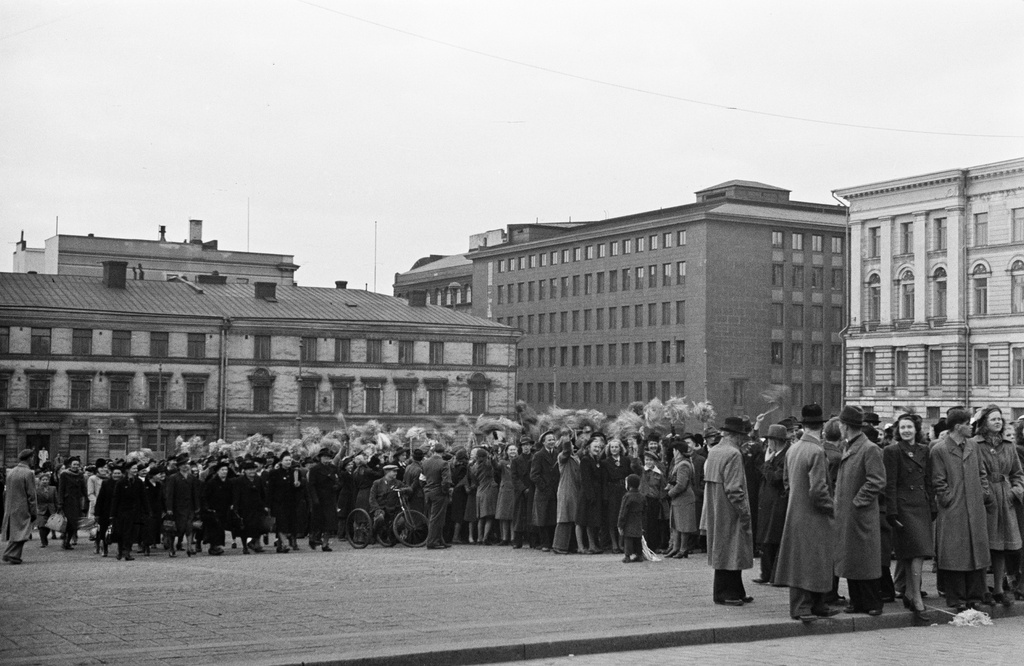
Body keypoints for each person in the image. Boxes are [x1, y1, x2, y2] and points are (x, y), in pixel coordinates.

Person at [774, 404, 839, 622]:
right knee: (816, 560)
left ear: (804, 425)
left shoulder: (793, 449)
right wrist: (833, 508)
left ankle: (813, 605)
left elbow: (786, 482)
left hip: (796, 511)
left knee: (800, 560)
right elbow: (819, 490)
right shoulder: (817, 451)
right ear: (820, 427)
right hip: (815, 514)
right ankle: (807, 606)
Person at [931, 406, 992, 611]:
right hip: (954, 509)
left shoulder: (973, 446)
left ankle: (974, 595)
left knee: (976, 551)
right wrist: (948, 499)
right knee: (955, 553)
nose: (971, 428)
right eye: (967, 424)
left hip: (974, 505)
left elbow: (982, 472)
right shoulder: (940, 449)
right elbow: (938, 481)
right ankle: (956, 597)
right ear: (958, 427)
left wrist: (983, 493)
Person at [883, 413, 935, 622]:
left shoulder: (924, 450)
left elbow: (929, 480)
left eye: (910, 427)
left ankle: (909, 593)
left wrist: (932, 506)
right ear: (898, 430)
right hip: (903, 507)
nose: (906, 431)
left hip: (921, 506)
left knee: (916, 553)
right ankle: (915, 598)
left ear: (916, 429)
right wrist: (892, 511)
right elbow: (890, 484)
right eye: (903, 427)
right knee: (915, 553)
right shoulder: (892, 451)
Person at [833, 405, 885, 616]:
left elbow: (877, 481)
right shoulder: (851, 446)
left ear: (845, 426)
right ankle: (857, 601)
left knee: (865, 560)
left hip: (860, 514)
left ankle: (872, 603)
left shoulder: (869, 448)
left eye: (840, 424)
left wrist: (857, 502)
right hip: (849, 514)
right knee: (852, 559)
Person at [973, 404, 1024, 607]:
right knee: (984, 544)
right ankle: (983, 589)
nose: (997, 422)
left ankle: (999, 589)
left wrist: (1015, 491)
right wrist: (986, 495)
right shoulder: (975, 444)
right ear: (984, 422)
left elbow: (1017, 474)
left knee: (1001, 545)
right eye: (993, 418)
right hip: (984, 499)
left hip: (1006, 498)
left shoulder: (1009, 446)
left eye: (1000, 419)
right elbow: (976, 472)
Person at [701, 416, 754, 606]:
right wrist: (744, 512)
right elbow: (734, 489)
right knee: (733, 550)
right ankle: (725, 593)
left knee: (725, 550)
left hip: (716, 508)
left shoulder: (714, 451)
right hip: (730, 510)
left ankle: (737, 590)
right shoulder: (733, 454)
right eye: (742, 436)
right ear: (736, 436)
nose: (744, 439)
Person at [753, 424, 790, 583]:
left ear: (776, 441)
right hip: (767, 503)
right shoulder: (772, 453)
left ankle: (774, 575)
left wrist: (767, 464)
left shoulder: (785, 455)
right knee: (766, 539)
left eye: (770, 440)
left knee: (772, 538)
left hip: (777, 503)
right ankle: (766, 574)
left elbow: (776, 478)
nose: (768, 443)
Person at [2, 449, 38, 565]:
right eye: (33, 457)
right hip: (23, 507)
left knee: (16, 532)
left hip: (10, 506)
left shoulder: (11, 472)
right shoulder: (28, 473)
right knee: (23, 533)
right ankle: (10, 554)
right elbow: (31, 494)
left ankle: (14, 555)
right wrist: (33, 511)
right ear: (30, 458)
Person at [109, 463, 150, 561]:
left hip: (135, 511)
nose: (135, 470)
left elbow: (144, 497)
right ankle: (120, 551)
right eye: (133, 468)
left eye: (136, 468)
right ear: (127, 470)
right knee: (121, 532)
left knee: (132, 533)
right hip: (122, 512)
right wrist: (112, 514)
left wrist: (147, 510)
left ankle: (127, 552)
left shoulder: (139, 482)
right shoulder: (120, 482)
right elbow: (115, 499)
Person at [665, 436, 696, 559]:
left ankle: (683, 549)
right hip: (680, 499)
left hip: (684, 498)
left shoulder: (683, 465)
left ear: (678, 451)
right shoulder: (682, 463)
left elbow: (681, 485)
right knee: (677, 524)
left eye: (674, 450)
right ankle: (676, 548)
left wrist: (670, 493)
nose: (673, 453)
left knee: (683, 525)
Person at [164, 457, 201, 556]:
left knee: (189, 527)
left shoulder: (191, 478)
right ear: (179, 467)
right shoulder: (173, 478)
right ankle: (172, 548)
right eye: (183, 465)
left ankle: (189, 547)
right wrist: (169, 508)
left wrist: (197, 507)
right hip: (177, 508)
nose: (185, 466)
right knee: (175, 529)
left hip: (189, 507)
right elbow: (169, 494)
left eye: (186, 464)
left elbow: (195, 493)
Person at [602, 438, 634, 555]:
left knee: (623, 516)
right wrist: (605, 496)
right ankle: (614, 544)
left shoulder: (626, 460)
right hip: (612, 491)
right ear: (609, 449)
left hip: (623, 490)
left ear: (620, 448)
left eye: (616, 447)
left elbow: (630, 474)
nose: (614, 449)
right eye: (612, 447)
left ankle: (621, 543)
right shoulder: (605, 462)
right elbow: (604, 481)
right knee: (612, 517)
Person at [267, 454, 304, 553]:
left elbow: (300, 488)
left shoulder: (295, 472)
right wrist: (269, 504)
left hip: (291, 503)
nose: (288, 462)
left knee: (290, 524)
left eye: (289, 460)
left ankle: (280, 545)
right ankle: (285, 544)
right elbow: (270, 489)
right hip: (278, 503)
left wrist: (298, 484)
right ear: (281, 461)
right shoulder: (274, 473)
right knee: (281, 523)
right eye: (286, 460)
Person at [530, 430, 560, 551]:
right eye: (549, 440)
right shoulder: (539, 455)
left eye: (553, 439)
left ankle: (553, 542)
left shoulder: (558, 453)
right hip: (543, 491)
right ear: (543, 442)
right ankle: (544, 543)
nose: (552, 442)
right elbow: (534, 475)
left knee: (553, 517)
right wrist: (544, 487)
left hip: (555, 490)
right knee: (543, 518)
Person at [232, 461, 269, 554]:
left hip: (257, 507)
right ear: (245, 471)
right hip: (244, 508)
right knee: (244, 528)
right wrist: (235, 507)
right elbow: (236, 495)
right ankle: (245, 546)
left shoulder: (258, 479)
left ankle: (255, 543)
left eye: (253, 469)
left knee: (260, 526)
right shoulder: (239, 480)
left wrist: (265, 505)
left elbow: (263, 493)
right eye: (249, 470)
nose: (252, 471)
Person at [307, 448, 340, 551]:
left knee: (329, 522)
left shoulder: (333, 468)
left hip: (330, 498)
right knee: (318, 521)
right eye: (325, 457)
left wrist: (337, 486)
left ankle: (325, 544)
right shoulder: (315, 469)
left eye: (329, 457)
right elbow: (311, 485)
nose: (327, 459)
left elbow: (339, 479)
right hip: (319, 498)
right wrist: (314, 499)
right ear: (320, 458)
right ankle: (313, 538)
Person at [576, 434, 605, 554]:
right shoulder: (585, 460)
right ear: (588, 447)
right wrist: (590, 495)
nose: (597, 449)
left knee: (590, 520)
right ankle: (581, 547)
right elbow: (585, 479)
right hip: (587, 494)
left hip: (594, 494)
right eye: (595, 446)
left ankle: (592, 545)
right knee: (581, 520)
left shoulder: (596, 460)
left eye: (599, 447)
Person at [553, 432, 581, 554]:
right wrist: (566, 439)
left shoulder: (576, 458)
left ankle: (569, 546)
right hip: (566, 490)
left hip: (574, 490)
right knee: (564, 518)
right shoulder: (562, 457)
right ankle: (558, 546)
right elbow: (566, 451)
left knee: (572, 518)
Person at [421, 442, 452, 550]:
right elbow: (446, 481)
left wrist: (426, 489)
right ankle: (432, 541)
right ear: (443, 452)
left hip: (428, 492)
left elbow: (421, 479)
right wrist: (445, 491)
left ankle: (439, 540)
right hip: (439, 493)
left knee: (433, 517)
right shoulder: (444, 463)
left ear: (433, 451)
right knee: (437, 518)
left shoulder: (425, 463)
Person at [56, 456, 88, 550]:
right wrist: (60, 502)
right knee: (68, 522)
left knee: (74, 523)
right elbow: (61, 489)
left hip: (77, 501)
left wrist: (86, 498)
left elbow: (83, 488)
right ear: (70, 465)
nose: (76, 466)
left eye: (77, 464)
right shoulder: (64, 474)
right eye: (74, 464)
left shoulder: (80, 474)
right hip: (67, 501)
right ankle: (65, 541)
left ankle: (67, 540)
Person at [204, 462, 233, 556]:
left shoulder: (229, 482)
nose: (224, 472)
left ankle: (217, 545)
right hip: (213, 509)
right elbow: (205, 496)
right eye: (222, 470)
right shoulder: (211, 482)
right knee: (214, 528)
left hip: (225, 508)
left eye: (226, 470)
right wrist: (207, 507)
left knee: (221, 528)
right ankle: (214, 546)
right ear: (217, 471)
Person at [369, 464, 407, 533]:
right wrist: (377, 508)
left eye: (396, 471)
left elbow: (407, 488)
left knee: (401, 522)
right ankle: (374, 532)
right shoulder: (377, 483)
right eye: (394, 471)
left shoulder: (398, 483)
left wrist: (404, 490)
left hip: (393, 509)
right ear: (387, 472)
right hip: (380, 508)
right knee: (380, 518)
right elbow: (372, 498)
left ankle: (391, 534)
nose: (396, 473)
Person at [471, 447, 498, 545]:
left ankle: (479, 538)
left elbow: (475, 481)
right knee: (489, 517)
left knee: (481, 518)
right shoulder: (487, 465)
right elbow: (494, 464)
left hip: (479, 491)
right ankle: (485, 538)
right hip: (489, 490)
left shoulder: (473, 467)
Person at [93, 466, 121, 557]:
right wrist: (97, 513)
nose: (117, 475)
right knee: (104, 530)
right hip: (106, 510)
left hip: (119, 511)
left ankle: (120, 549)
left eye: (118, 473)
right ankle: (104, 549)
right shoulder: (106, 483)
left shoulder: (124, 483)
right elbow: (100, 499)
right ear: (111, 474)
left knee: (119, 531)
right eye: (115, 473)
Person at [618, 473, 645, 563]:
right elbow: (645, 508)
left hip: (629, 520)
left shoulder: (627, 496)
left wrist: (620, 524)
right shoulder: (642, 496)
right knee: (638, 538)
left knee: (628, 538)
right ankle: (639, 554)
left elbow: (623, 511)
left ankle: (627, 555)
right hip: (638, 519)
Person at [494, 444, 517, 546]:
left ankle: (513, 538)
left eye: (514, 449)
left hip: (515, 489)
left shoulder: (519, 461)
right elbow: (496, 466)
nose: (512, 451)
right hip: (505, 490)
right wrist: (494, 458)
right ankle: (504, 538)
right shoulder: (503, 462)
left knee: (513, 515)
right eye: (510, 450)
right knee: (504, 515)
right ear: (507, 451)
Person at [34, 470, 58, 548]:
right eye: (43, 480)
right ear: (40, 481)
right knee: (41, 526)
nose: (45, 481)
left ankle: (45, 538)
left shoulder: (53, 488)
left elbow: (56, 499)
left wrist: (58, 508)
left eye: (46, 480)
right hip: (41, 510)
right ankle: (43, 542)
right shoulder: (36, 490)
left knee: (48, 526)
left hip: (51, 509)